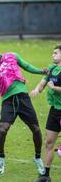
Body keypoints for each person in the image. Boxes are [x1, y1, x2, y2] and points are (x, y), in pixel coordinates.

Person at [0, 42, 48, 175]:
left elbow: (26, 66)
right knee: (2, 130)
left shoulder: (12, 56)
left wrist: (40, 71)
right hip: (8, 101)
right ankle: (1, 157)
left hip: (23, 98)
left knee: (36, 129)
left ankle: (37, 157)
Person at [30, 45, 61, 182]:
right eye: (52, 53)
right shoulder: (52, 69)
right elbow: (43, 82)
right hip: (54, 110)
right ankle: (45, 175)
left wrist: (54, 88)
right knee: (49, 143)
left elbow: (52, 86)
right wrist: (37, 89)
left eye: (55, 53)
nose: (52, 55)